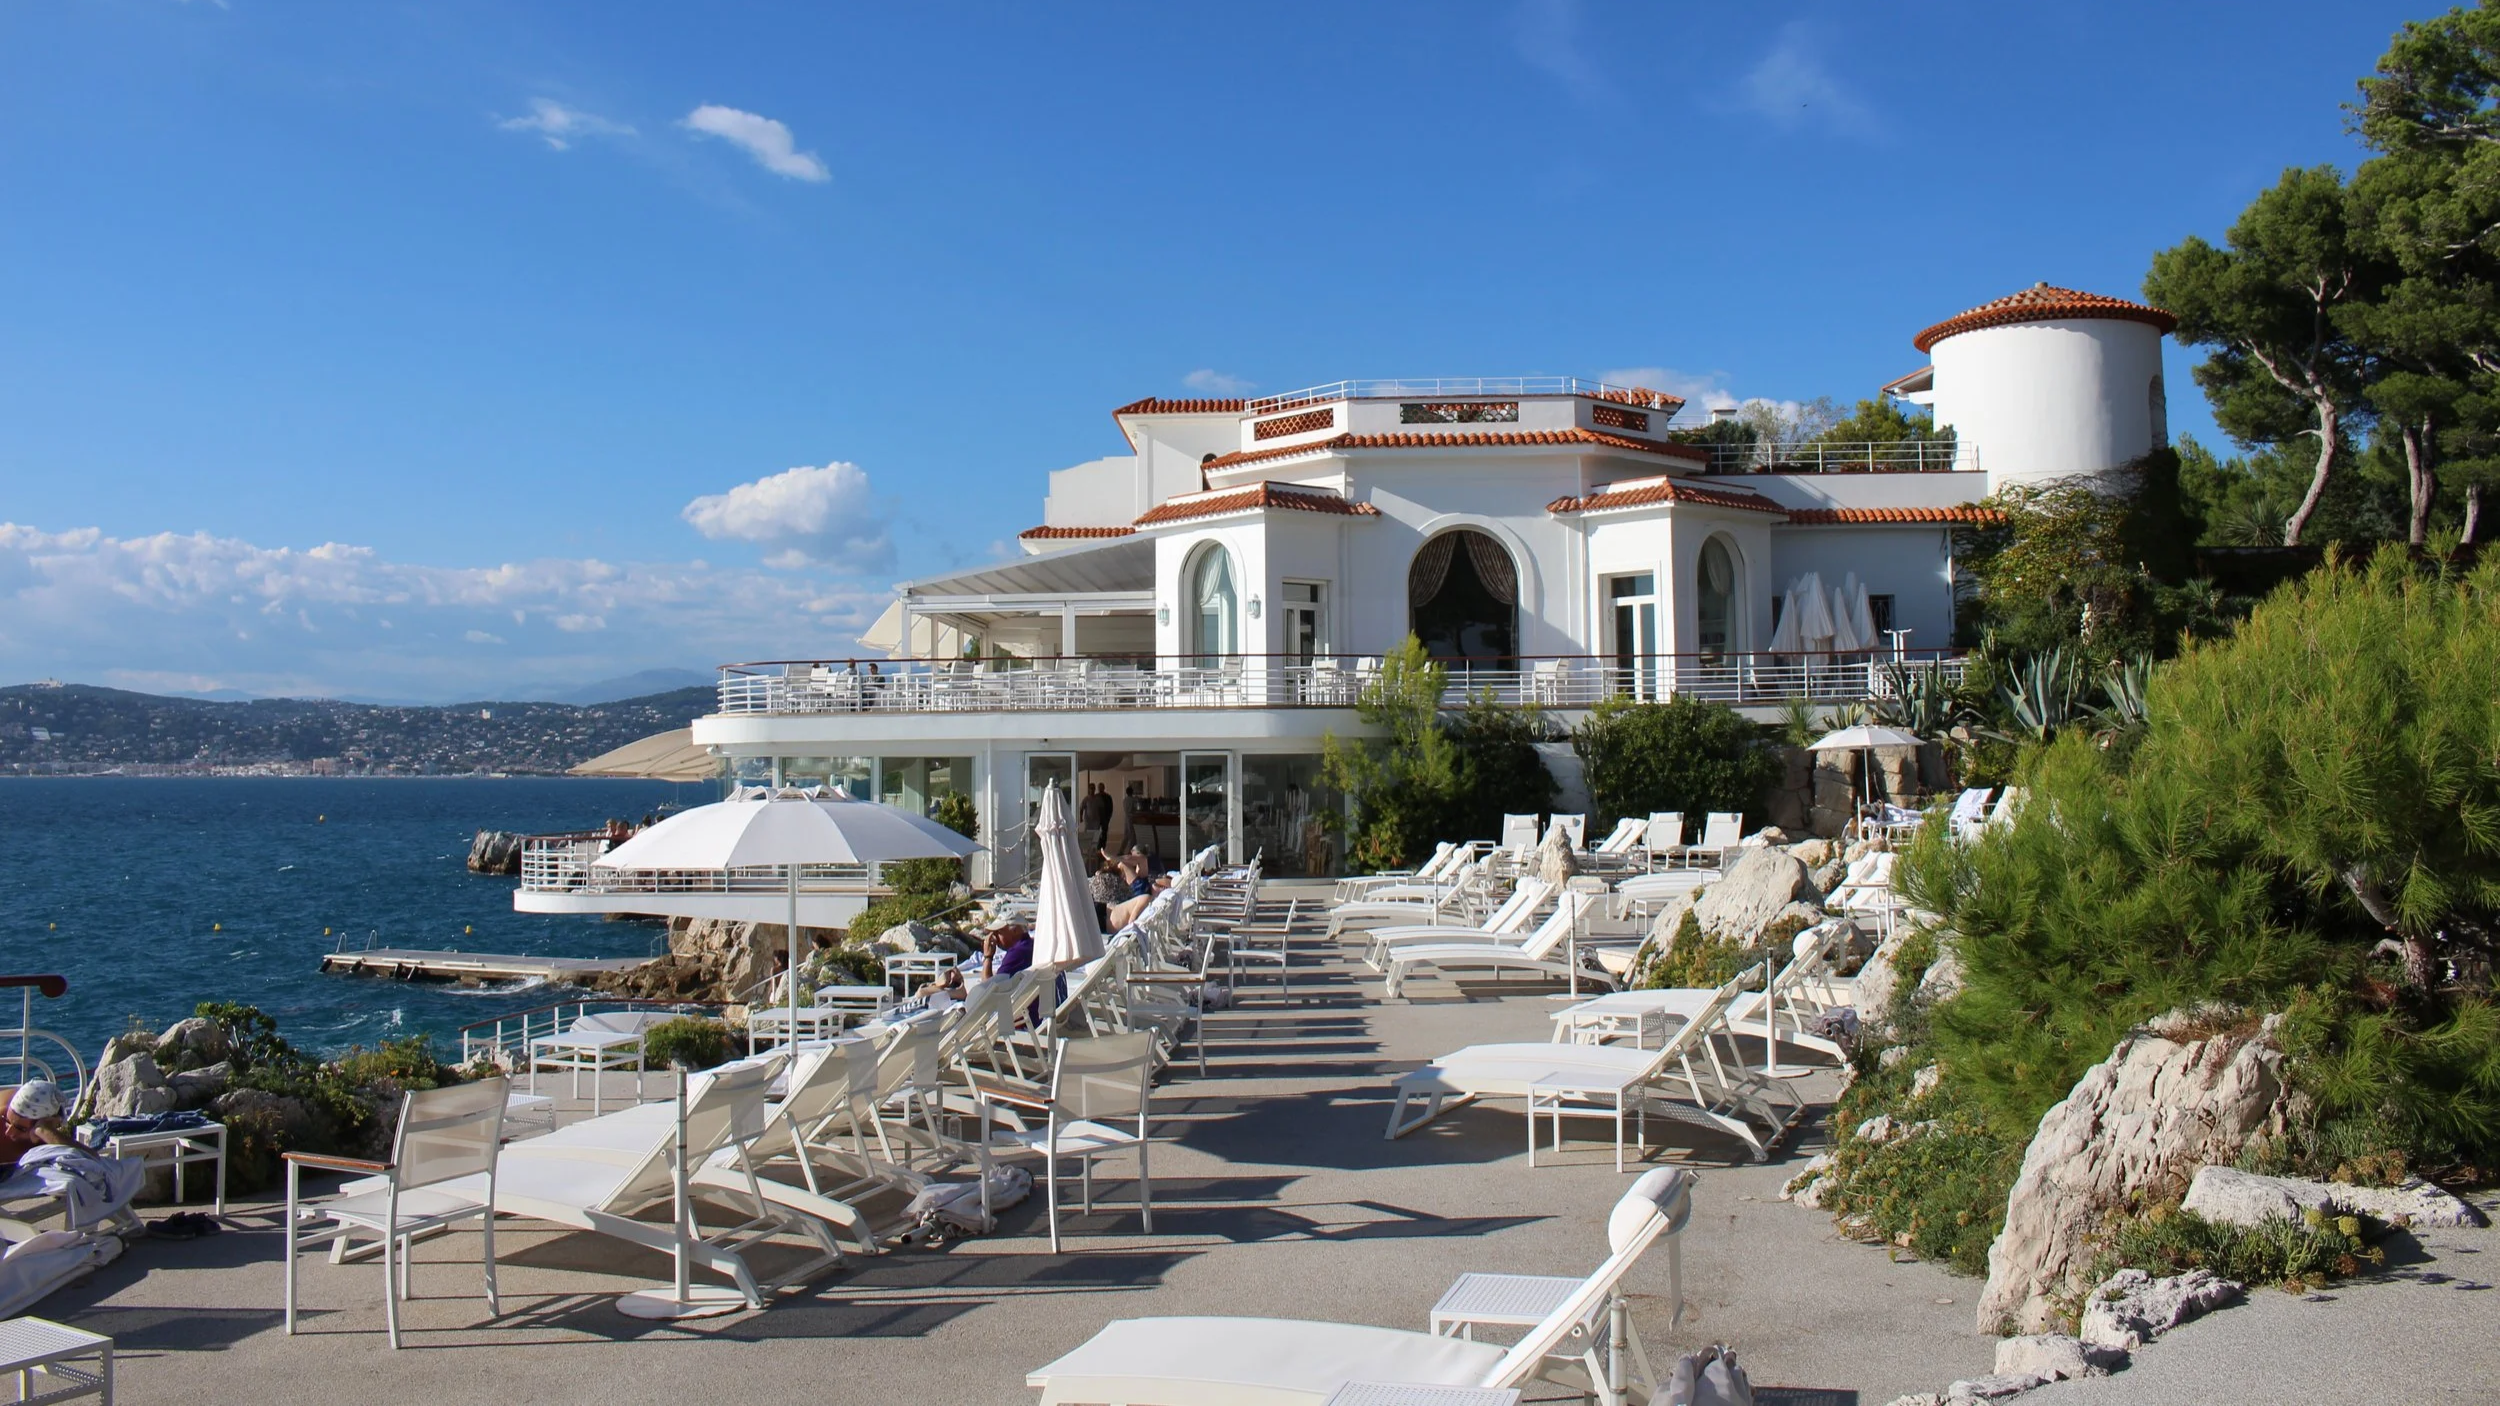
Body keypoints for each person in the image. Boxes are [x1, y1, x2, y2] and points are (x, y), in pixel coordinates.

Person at [1, 1081, 73, 1169]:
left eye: (20, 1128)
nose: (8, 1132)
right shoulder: (4, 1114)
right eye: (7, 1121)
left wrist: (44, 1131)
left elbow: (86, 1157)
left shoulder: (51, 1130)